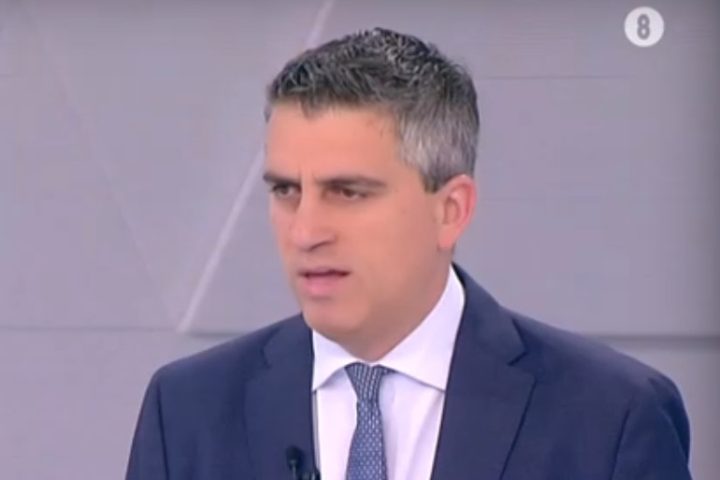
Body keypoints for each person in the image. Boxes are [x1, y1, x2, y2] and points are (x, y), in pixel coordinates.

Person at [125, 27, 692, 480]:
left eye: (348, 192)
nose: (305, 231)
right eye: (286, 191)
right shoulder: (188, 411)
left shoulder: (609, 418)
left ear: (450, 210)